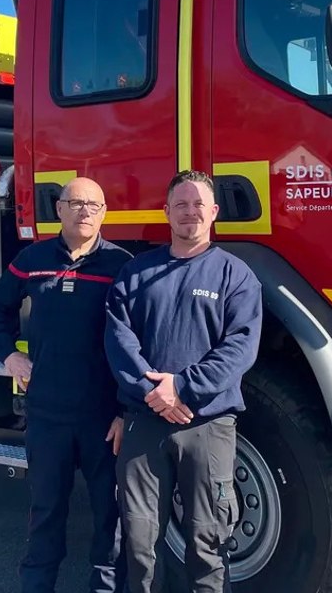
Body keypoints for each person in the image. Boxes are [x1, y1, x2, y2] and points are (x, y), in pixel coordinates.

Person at [104, 170, 263, 593]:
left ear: (213, 213)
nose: (189, 212)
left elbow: (240, 349)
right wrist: (154, 393)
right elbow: (119, 341)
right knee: (139, 544)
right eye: (181, 204)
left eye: (198, 205)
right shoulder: (135, 274)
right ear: (166, 212)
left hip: (208, 426)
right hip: (144, 423)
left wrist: (182, 388)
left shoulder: (236, 276)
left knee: (208, 541)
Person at [0, 177, 132, 593]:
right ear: (59, 209)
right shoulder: (33, 258)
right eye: (76, 202)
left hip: (103, 417)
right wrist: (8, 354)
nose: (85, 211)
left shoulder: (121, 265)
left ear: (104, 213)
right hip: (47, 413)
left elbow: (140, 342)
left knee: (110, 516)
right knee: (47, 512)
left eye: (94, 205)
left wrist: (124, 411)